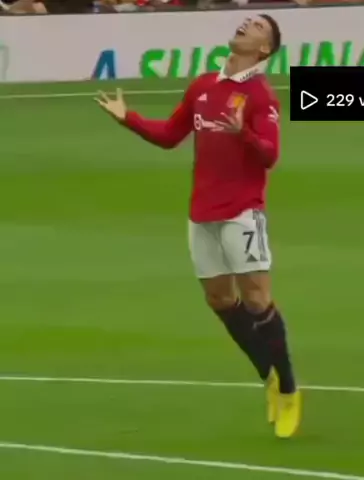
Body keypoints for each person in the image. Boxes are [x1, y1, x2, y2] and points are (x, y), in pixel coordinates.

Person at [96, 15, 301, 439]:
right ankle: (267, 375)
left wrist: (243, 134)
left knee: (257, 299)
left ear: (264, 48)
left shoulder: (260, 97)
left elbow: (270, 155)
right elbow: (170, 135)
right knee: (219, 299)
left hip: (243, 211)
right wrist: (128, 118)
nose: (246, 24)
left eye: (257, 25)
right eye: (246, 20)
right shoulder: (203, 86)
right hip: (202, 211)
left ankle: (288, 388)